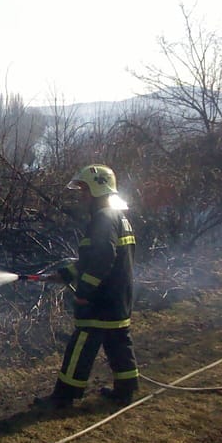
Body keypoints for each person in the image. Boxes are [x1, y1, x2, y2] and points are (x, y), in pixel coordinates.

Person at [34, 164, 139, 408]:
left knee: (81, 345)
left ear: (96, 188)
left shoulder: (103, 219)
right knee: (118, 342)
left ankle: (63, 397)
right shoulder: (118, 217)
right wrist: (65, 274)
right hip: (118, 297)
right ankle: (126, 390)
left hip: (101, 299)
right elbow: (92, 259)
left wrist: (85, 291)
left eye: (84, 190)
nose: (82, 196)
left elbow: (102, 259)